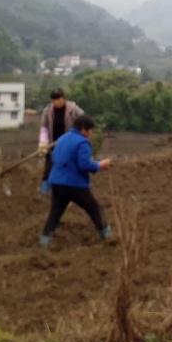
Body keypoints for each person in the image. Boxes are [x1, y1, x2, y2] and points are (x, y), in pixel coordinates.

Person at [39, 115, 112, 246]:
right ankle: (107, 237)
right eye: (90, 130)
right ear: (83, 129)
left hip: (56, 182)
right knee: (95, 209)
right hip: (74, 184)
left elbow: (54, 157)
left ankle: (44, 241)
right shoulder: (83, 143)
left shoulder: (62, 139)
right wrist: (100, 165)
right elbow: (84, 165)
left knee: (55, 213)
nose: (91, 133)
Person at [39, 88, 84, 194]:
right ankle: (44, 191)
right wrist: (43, 142)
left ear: (64, 98)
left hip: (69, 145)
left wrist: (78, 134)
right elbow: (44, 128)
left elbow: (84, 120)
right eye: (54, 100)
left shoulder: (73, 109)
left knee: (69, 168)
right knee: (48, 169)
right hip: (52, 145)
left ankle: (69, 191)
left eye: (59, 99)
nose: (57, 102)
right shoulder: (47, 111)